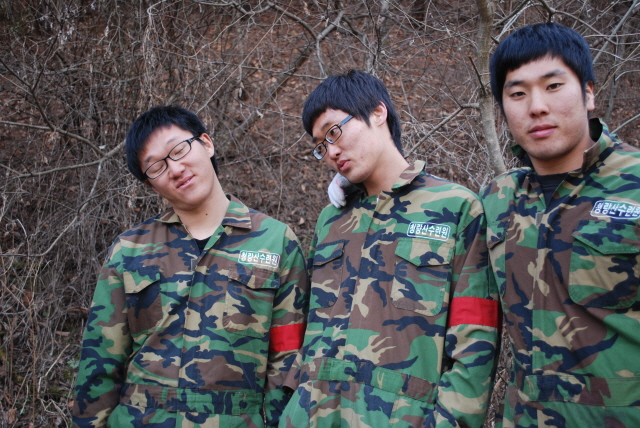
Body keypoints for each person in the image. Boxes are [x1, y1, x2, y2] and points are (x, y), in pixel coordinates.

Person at [281, 70, 500, 428]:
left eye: (334, 132)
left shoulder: (455, 208)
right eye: (321, 146)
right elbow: (308, 331)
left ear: (378, 113)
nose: (331, 152)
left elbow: (475, 342)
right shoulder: (331, 220)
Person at [72, 106, 309, 427]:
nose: (175, 168)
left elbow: (287, 354)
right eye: (156, 166)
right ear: (150, 185)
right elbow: (100, 358)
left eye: (179, 150)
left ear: (206, 144)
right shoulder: (130, 249)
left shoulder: (275, 240)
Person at [481, 22, 640, 427]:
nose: (536, 107)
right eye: (517, 94)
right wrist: (358, 184)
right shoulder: (498, 199)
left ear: (588, 93)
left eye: (553, 86)